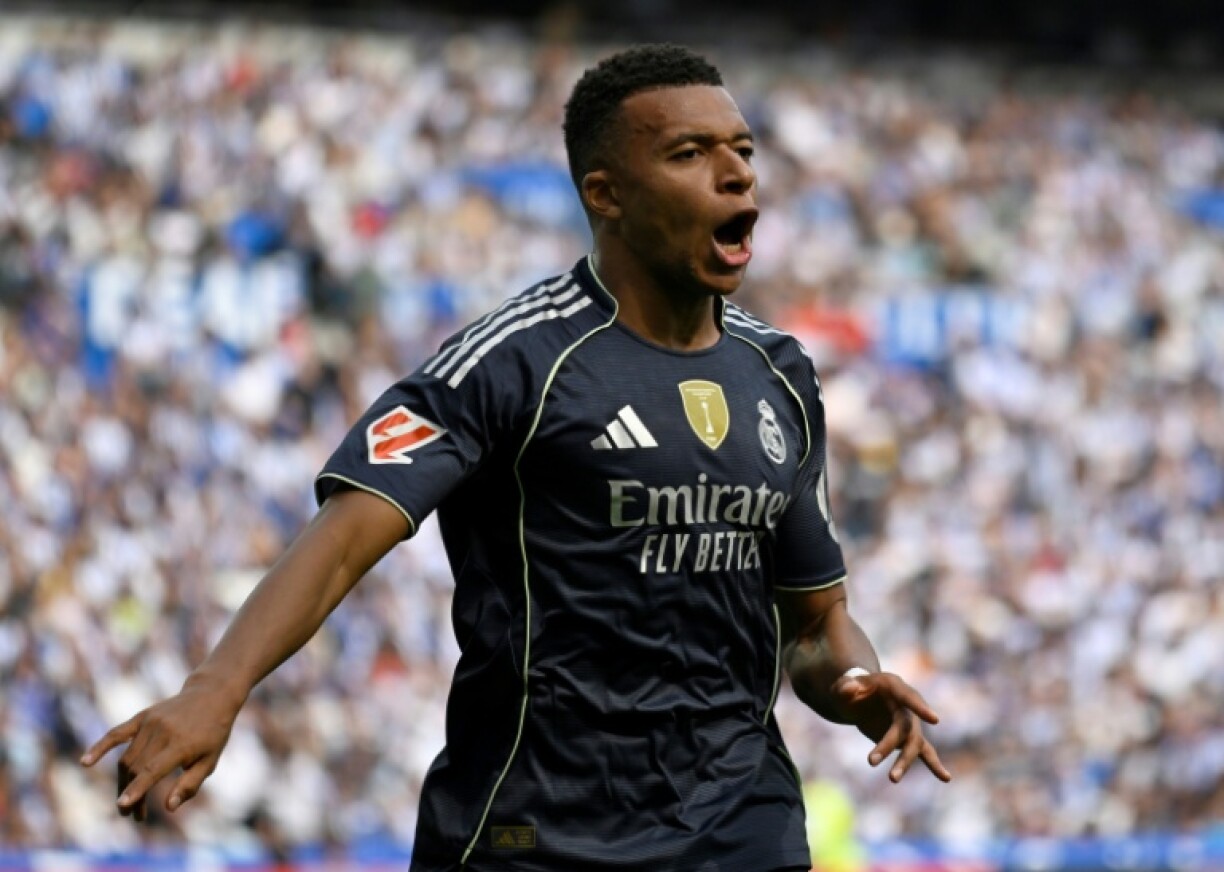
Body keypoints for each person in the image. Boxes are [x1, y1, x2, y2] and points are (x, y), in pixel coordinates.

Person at [82, 44, 950, 871]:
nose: (737, 174)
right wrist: (215, 688)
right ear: (605, 193)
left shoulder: (781, 375)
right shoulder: (512, 361)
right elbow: (346, 536)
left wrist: (855, 683)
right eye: (690, 153)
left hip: (741, 830)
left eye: (743, 150)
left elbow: (813, 626)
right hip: (536, 835)